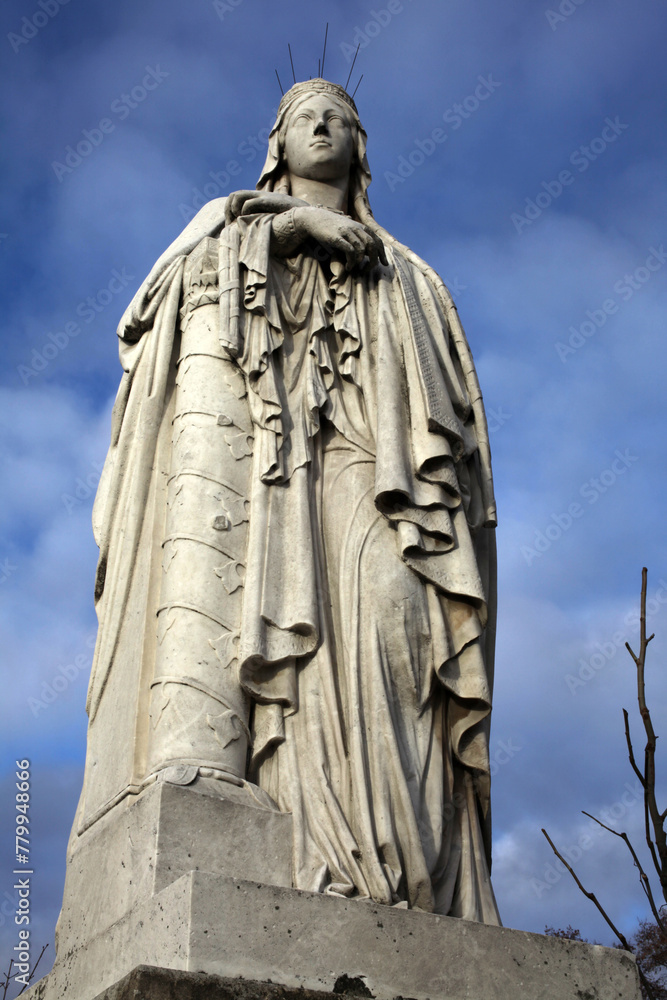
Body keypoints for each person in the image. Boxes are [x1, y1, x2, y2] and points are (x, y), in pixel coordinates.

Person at [81, 78, 500, 922]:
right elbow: (163, 309)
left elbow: (457, 432)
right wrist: (283, 230)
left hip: (384, 489)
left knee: (399, 630)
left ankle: (409, 876)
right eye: (305, 116)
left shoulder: (410, 274)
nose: (322, 125)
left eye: (338, 116)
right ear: (277, 142)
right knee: (298, 661)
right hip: (282, 486)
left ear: (360, 145)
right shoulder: (230, 226)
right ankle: (325, 858)